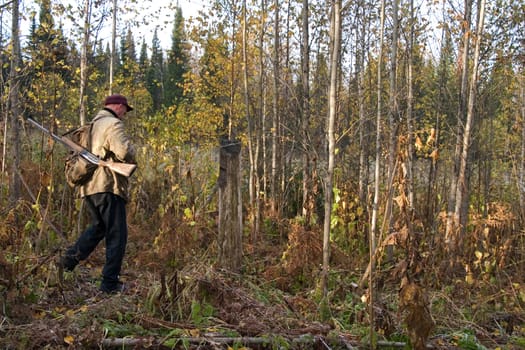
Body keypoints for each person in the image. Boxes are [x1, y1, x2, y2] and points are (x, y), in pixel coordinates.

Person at [60, 93, 137, 294]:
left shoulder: (90, 126)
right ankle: (109, 284)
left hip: (89, 188)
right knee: (117, 235)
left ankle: (66, 263)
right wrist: (134, 153)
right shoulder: (113, 124)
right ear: (118, 106)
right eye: (125, 110)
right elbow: (124, 152)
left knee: (98, 228)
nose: (125, 115)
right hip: (108, 186)